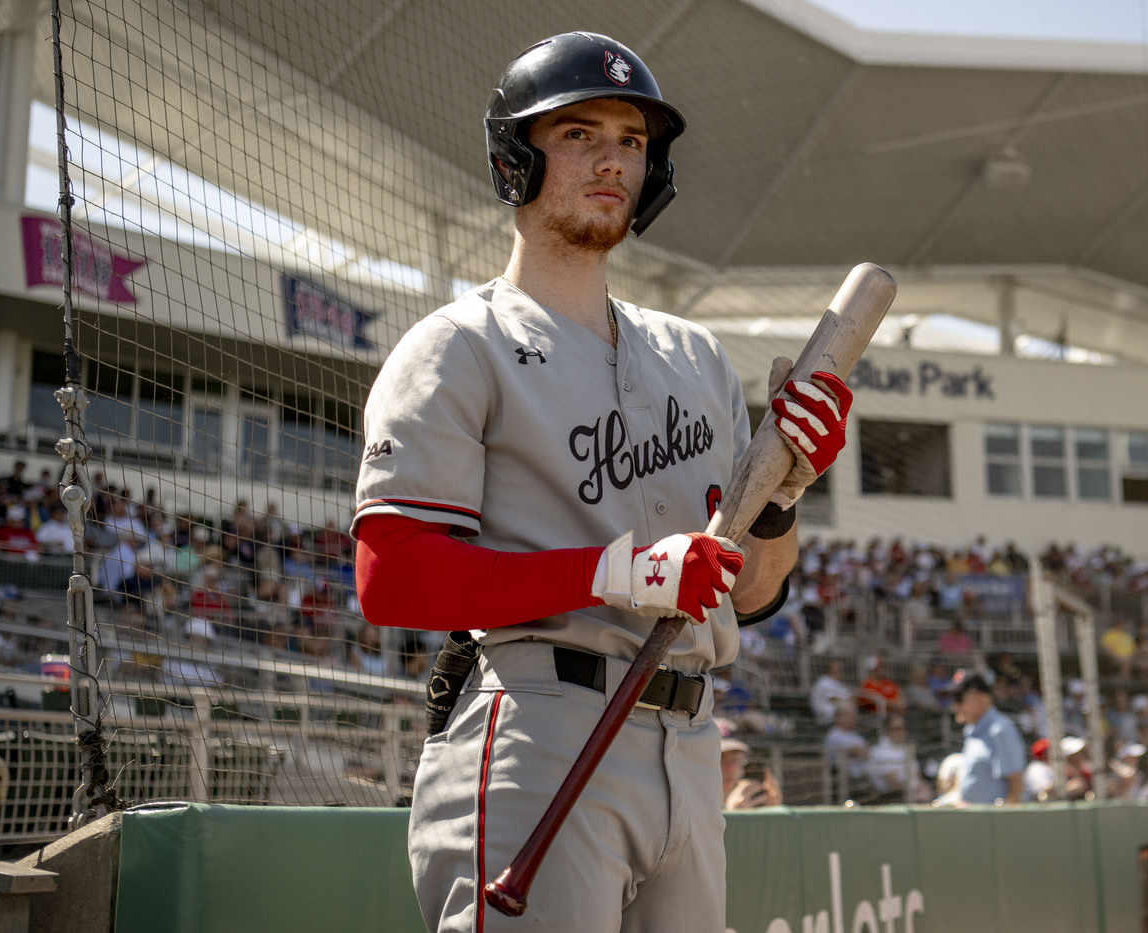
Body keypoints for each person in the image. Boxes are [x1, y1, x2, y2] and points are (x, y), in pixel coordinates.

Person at [350, 33, 853, 933]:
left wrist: (784, 492)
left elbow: (755, 587)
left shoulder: (695, 355)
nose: (612, 158)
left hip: (693, 746)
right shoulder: (457, 345)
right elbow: (392, 579)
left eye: (630, 139)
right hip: (542, 725)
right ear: (516, 157)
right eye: (579, 132)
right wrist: (614, 574)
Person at [951, 672, 1026, 805]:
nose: (955, 706)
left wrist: (1005, 822)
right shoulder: (972, 731)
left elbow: (1016, 785)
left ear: (981, 698)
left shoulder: (1000, 730)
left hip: (996, 823)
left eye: (959, 699)